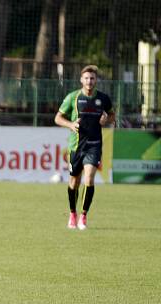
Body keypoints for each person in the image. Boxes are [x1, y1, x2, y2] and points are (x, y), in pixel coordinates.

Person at [54, 65, 114, 230]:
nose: (89, 81)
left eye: (92, 78)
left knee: (89, 179)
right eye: (86, 78)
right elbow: (58, 118)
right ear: (81, 80)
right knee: (74, 182)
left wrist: (106, 120)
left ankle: (84, 216)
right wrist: (71, 124)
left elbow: (112, 115)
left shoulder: (103, 99)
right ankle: (72, 214)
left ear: (96, 80)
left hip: (94, 146)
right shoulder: (73, 97)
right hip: (76, 147)